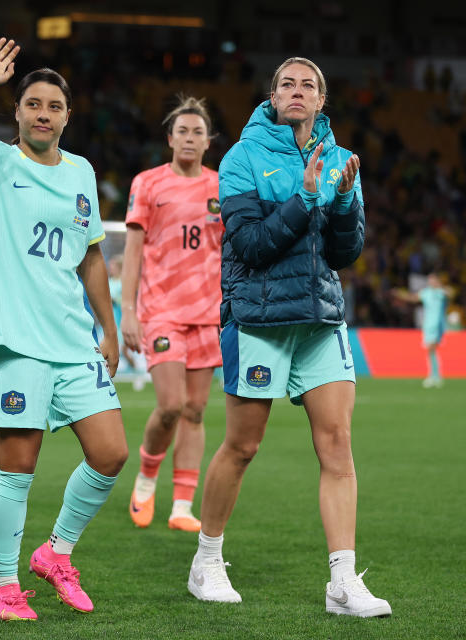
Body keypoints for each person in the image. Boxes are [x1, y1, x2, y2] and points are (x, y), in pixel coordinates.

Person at [187, 57, 391, 618]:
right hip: (259, 320)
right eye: (287, 84)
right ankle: (206, 560)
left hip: (320, 321)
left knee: (337, 448)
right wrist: (304, 199)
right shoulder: (241, 159)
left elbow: (345, 254)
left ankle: (343, 583)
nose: (297, 92)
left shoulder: (341, 160)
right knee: (243, 445)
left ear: (321, 101)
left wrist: (345, 202)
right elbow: (249, 246)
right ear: (273, 96)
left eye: (308, 85)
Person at [0, 40, 128, 621]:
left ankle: (55, 552)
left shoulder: (82, 172)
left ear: (68, 116)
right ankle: (5, 585)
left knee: (111, 453)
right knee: (17, 468)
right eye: (33, 104)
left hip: (73, 341)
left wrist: (110, 328)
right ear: (17, 111)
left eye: (54, 106)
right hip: (15, 341)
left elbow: (91, 257)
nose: (43, 114)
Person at [121, 96, 223, 533]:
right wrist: (128, 310)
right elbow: (133, 250)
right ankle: (146, 477)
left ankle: (182, 506)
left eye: (197, 132)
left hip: (208, 313)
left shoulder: (223, 187)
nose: (189, 137)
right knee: (170, 406)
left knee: (197, 410)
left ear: (208, 142)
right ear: (169, 138)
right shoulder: (148, 183)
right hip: (161, 310)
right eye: (182, 130)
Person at [392, 272, 454, 387]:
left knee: (431, 348)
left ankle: (434, 376)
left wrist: (442, 288)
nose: (430, 282)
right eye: (429, 280)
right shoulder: (426, 293)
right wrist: (400, 294)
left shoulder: (441, 293)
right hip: (428, 325)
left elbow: (451, 293)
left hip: (438, 325)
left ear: (437, 281)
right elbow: (412, 298)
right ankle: (436, 376)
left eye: (432, 280)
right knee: (431, 351)